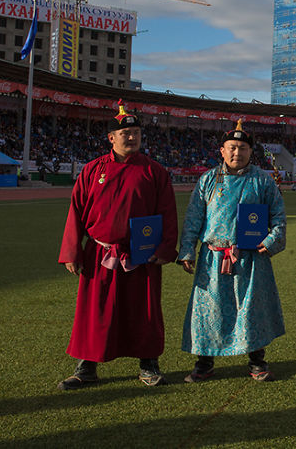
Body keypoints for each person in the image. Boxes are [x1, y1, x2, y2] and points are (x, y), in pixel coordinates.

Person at [57, 101, 178, 389]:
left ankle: (148, 365)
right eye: (126, 133)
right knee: (94, 311)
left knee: (144, 310)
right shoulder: (92, 170)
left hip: (142, 254)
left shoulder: (154, 172)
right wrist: (72, 251)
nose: (132, 137)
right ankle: (86, 366)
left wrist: (164, 249)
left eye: (136, 132)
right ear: (111, 137)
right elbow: (76, 211)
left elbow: (168, 212)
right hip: (99, 253)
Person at [178, 119, 287, 382]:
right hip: (213, 257)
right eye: (232, 147)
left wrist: (271, 241)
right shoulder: (207, 179)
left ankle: (257, 362)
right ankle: (204, 363)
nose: (237, 152)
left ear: (251, 151)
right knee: (209, 310)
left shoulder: (263, 181)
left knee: (251, 309)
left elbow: (278, 218)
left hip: (251, 258)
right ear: (222, 151)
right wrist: (187, 250)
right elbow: (194, 217)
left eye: (242, 148)